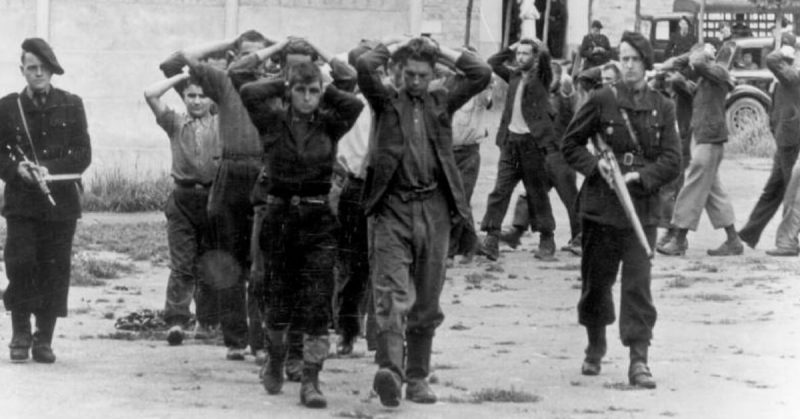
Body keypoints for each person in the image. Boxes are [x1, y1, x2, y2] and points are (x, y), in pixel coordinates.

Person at [356, 36, 491, 407]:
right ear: (399, 73)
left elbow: (481, 73)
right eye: (409, 74)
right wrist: (395, 44)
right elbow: (364, 65)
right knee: (390, 293)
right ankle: (390, 372)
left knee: (427, 298)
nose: (415, 81)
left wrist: (439, 49)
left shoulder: (440, 101)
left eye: (423, 75)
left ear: (434, 75)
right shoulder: (384, 101)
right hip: (392, 208)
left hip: (434, 207)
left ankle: (417, 377)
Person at [240, 42, 363, 406]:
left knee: (316, 302)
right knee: (278, 299)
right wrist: (284, 79)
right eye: (301, 91)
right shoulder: (272, 122)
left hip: (318, 220)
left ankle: (311, 380)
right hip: (278, 218)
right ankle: (276, 360)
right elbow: (247, 88)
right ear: (290, 92)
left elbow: (353, 98)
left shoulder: (331, 123)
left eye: (313, 91)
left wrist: (323, 71)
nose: (307, 98)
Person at [562, 30, 681, 389]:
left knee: (638, 286)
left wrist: (640, 177)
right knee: (597, 283)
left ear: (646, 63)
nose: (628, 65)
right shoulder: (602, 99)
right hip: (601, 207)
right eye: (624, 58)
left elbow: (673, 160)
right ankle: (595, 344)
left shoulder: (663, 105)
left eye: (634, 59)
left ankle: (638, 359)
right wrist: (595, 166)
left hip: (640, 209)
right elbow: (570, 144)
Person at [160, 30, 270, 362]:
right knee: (229, 262)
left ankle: (262, 340)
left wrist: (280, 48)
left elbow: (331, 73)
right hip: (229, 177)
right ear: (235, 58)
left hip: (265, 176)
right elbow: (178, 60)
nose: (252, 62)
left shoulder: (277, 86)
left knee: (263, 265)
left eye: (259, 56)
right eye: (244, 55)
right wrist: (229, 43)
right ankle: (236, 340)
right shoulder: (222, 85)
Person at [1, 38, 91, 363]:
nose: (37, 74)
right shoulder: (7, 107)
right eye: (31, 68)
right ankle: (20, 333)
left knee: (55, 268)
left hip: (60, 205)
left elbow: (83, 154)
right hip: (21, 204)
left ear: (52, 70)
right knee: (20, 264)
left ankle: (44, 339)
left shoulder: (71, 104)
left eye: (43, 68)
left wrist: (48, 169)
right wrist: (15, 169)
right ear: (22, 69)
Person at [143, 71, 221, 345]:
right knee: (182, 264)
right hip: (182, 199)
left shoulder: (222, 123)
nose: (197, 101)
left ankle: (207, 321)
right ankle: (176, 320)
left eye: (202, 95)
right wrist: (181, 76)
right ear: (184, 98)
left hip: (214, 198)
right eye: (191, 96)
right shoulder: (175, 123)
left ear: (211, 98)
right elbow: (151, 94)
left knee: (210, 262)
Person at [657, 43, 743, 257]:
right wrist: (682, 83)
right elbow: (699, 95)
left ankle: (679, 239)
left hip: (709, 138)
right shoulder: (713, 75)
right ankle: (733, 240)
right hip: (706, 137)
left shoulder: (719, 71)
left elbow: (694, 62)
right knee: (714, 193)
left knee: (692, 187)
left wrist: (695, 53)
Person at [477, 38, 559, 261]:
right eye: (519, 53)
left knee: (537, 193)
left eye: (525, 54)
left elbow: (544, 61)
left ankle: (547, 238)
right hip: (510, 142)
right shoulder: (512, 75)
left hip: (532, 144)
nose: (520, 57)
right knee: (499, 191)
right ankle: (492, 238)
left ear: (534, 58)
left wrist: (539, 46)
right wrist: (510, 47)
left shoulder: (542, 77)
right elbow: (492, 63)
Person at [498, 60, 581, 255]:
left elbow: (569, 94)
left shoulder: (564, 95)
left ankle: (580, 238)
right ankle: (517, 231)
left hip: (561, 154)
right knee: (531, 194)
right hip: (540, 154)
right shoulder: (536, 96)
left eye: (552, 76)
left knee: (570, 198)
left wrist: (565, 82)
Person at [738, 33, 800, 249]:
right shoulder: (788, 76)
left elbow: (772, 60)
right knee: (774, 190)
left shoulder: (791, 75)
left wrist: (783, 48)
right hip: (784, 139)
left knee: (791, 192)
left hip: (790, 140)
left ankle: (788, 240)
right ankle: (748, 233)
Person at [446, 49, 494, 264]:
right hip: (447, 153)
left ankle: (449, 251)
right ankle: (471, 245)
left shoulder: (480, 90)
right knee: (454, 201)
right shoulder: (449, 86)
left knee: (461, 200)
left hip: (468, 154)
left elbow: (486, 78)